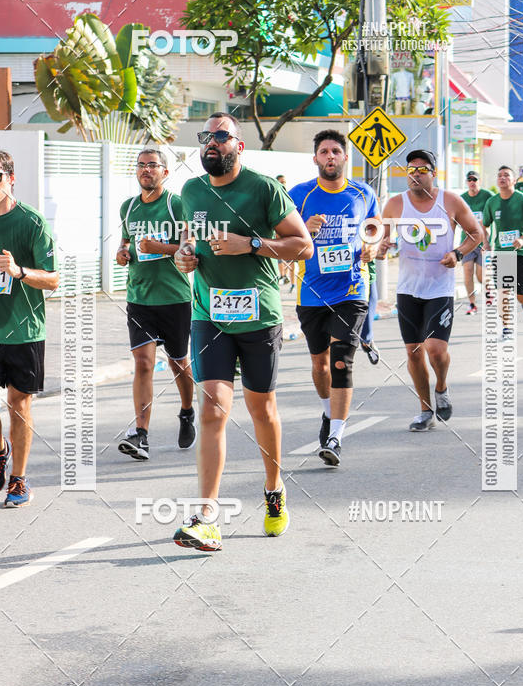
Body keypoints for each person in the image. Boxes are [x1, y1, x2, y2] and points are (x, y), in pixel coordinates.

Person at [172, 113, 312, 551]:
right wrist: (184, 256)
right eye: (206, 136)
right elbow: (188, 241)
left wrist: (249, 244)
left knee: (261, 411)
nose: (211, 142)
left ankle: (273, 489)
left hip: (259, 318)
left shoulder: (264, 189)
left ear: (239, 145)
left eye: (221, 136)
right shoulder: (192, 191)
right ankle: (207, 516)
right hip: (208, 314)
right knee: (212, 409)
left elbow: (302, 245)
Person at [289, 130, 380, 465]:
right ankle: (329, 413)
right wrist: (304, 228)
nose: (330, 156)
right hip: (311, 290)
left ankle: (335, 437)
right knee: (320, 364)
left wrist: (372, 246)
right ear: (315, 158)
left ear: (345, 157)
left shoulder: (363, 192)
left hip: (352, 288)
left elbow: (375, 227)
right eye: (324, 151)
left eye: (336, 151)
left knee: (342, 360)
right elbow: (280, 237)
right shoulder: (299, 194)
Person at [380, 149, 483, 431]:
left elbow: (476, 233)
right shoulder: (394, 204)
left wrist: (458, 254)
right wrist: (380, 248)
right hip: (408, 289)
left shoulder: (450, 201)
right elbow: (380, 241)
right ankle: (425, 410)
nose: (415, 174)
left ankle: (442, 387)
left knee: (435, 350)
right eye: (411, 169)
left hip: (440, 288)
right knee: (414, 352)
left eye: (422, 169)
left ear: (433, 174)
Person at [0, 148, 59, 506]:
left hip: (24, 330)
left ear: (11, 179)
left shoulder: (32, 222)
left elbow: (54, 279)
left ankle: (18, 479)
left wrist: (19, 272)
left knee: (19, 405)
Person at [116, 148, 195, 461]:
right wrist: (122, 253)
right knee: (144, 363)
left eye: (152, 165)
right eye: (141, 165)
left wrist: (160, 247)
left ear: (165, 172)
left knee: (178, 362)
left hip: (175, 298)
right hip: (139, 298)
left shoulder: (177, 205)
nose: (146, 170)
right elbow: (125, 242)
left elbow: (191, 246)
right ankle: (141, 434)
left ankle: (187, 412)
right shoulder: (128, 207)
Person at [482, 166, 523, 337]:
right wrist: (486, 243)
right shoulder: (492, 202)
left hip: (522, 252)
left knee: (520, 294)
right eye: (499, 175)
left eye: (506, 175)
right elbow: (484, 225)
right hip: (502, 253)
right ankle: (507, 327)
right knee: (504, 291)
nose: (502, 178)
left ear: (514, 180)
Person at [460, 171, 493, 314]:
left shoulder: (487, 196)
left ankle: (489, 291)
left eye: (475, 179)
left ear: (479, 181)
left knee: (481, 276)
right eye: (469, 180)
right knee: (467, 272)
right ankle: (472, 304)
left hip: (483, 241)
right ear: (467, 182)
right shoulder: (462, 199)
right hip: (466, 241)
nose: (472, 182)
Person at [360, 260, 380, 364]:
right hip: (329, 277)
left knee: (365, 333)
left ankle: (367, 341)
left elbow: (381, 254)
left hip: (363, 274)